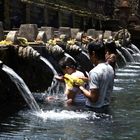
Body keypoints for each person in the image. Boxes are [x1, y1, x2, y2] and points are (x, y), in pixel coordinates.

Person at [78, 42, 114, 113]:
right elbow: (103, 82)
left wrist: (81, 88)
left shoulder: (94, 72)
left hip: (94, 110)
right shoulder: (110, 68)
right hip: (106, 107)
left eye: (89, 54)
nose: (89, 57)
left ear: (93, 54)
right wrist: (88, 80)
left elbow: (93, 98)